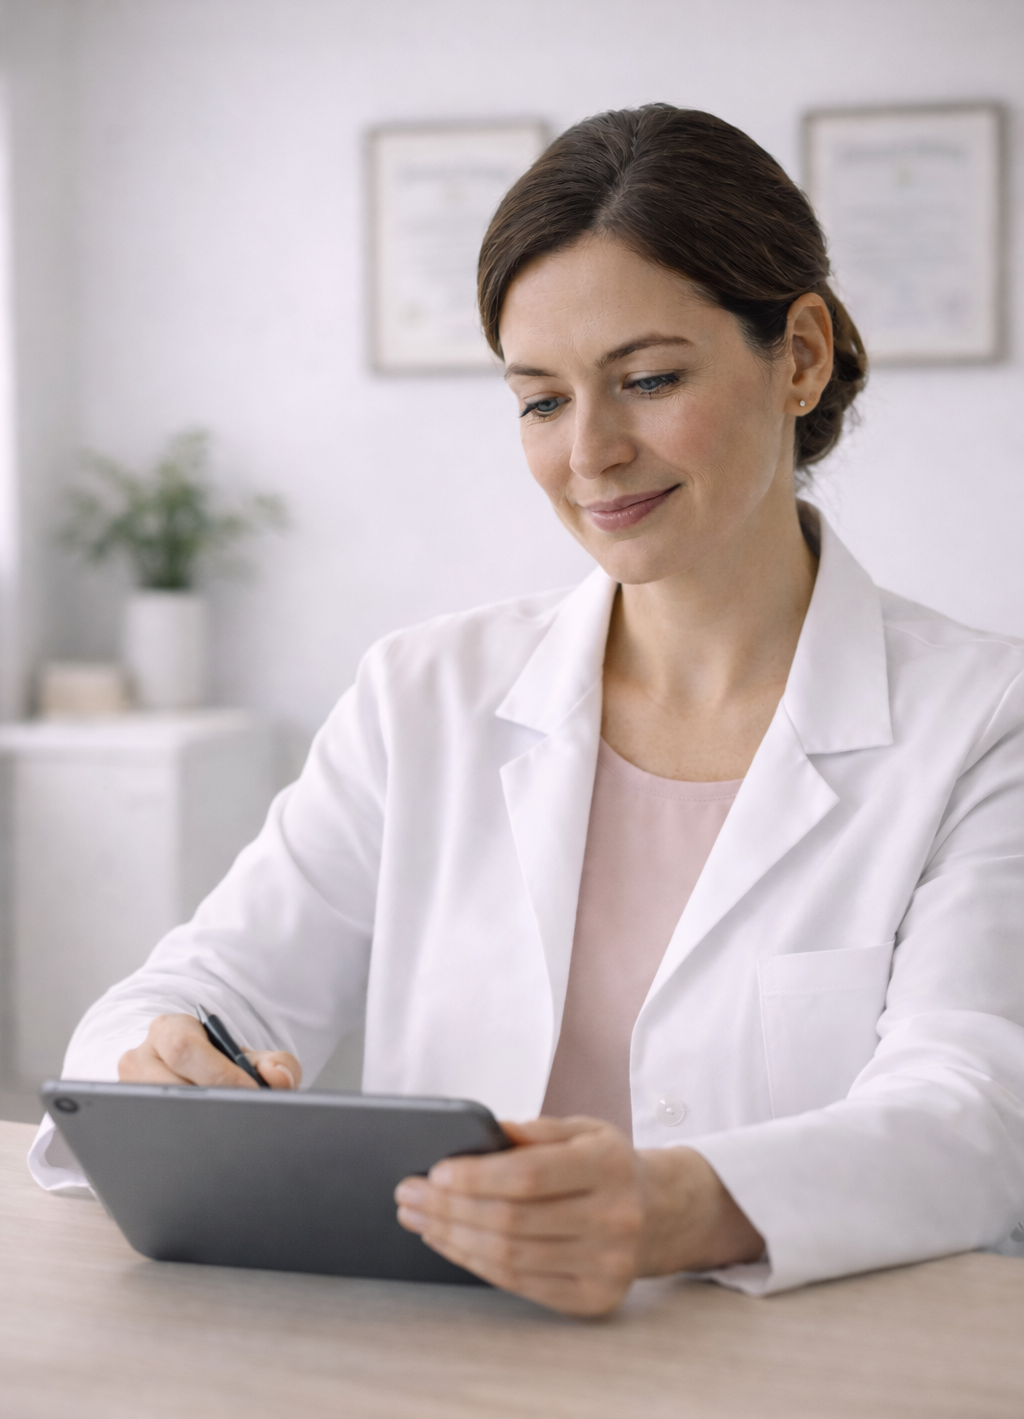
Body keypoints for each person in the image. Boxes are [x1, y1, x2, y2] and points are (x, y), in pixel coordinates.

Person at [30, 105, 1024, 1314]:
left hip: (800, 1410)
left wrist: (678, 1206)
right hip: (450, 1382)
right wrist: (170, 1068)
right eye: (541, 401)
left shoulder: (983, 718)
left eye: (648, 380)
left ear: (800, 355)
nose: (591, 453)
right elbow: (174, 1002)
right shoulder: (424, 694)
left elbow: (971, 1117)